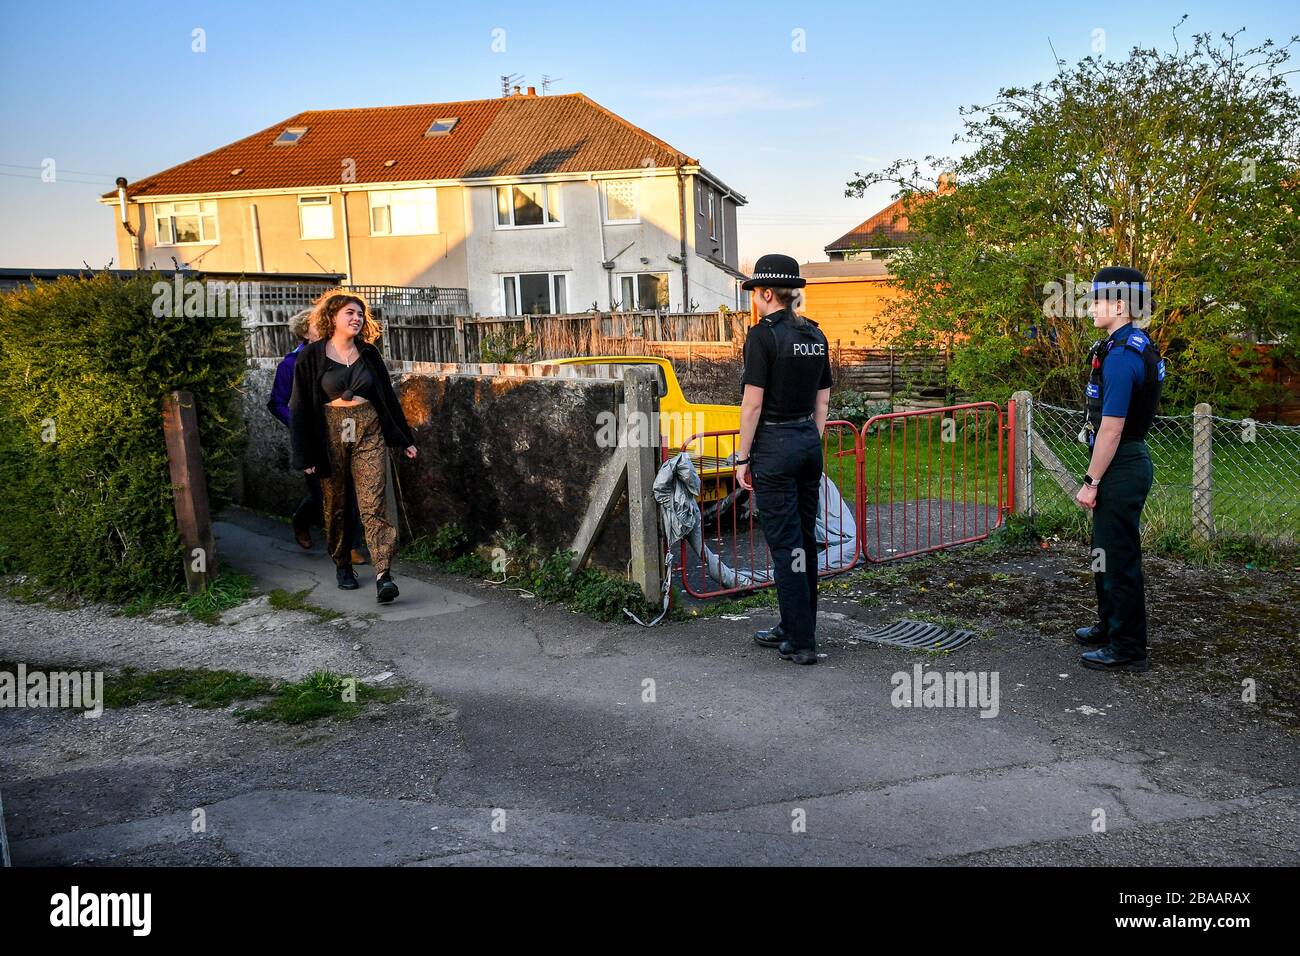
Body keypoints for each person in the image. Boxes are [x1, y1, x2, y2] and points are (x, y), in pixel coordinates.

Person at [734, 253, 833, 666]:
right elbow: (823, 399)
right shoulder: (815, 335)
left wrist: (742, 459)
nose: (755, 300)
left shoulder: (762, 337)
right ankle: (793, 626)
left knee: (784, 545)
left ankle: (802, 641)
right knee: (804, 541)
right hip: (808, 444)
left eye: (757, 294)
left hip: (774, 447)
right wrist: (810, 438)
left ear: (768, 293)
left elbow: (752, 405)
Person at [290, 290, 418, 603]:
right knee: (337, 502)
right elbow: (301, 406)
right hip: (331, 429)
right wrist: (305, 454)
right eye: (350, 313)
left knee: (373, 503)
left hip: (368, 428)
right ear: (332, 317)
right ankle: (342, 562)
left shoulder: (369, 354)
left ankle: (383, 574)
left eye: (360, 314)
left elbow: (387, 399)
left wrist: (403, 439)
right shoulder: (311, 356)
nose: (356, 319)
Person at [1073, 266, 1165, 672]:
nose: (1090, 306)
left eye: (1097, 300)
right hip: (1120, 460)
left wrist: (1091, 482)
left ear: (1121, 305)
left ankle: (1127, 646)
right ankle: (1109, 625)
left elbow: (1111, 430)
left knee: (1119, 557)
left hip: (1121, 463)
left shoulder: (1125, 355)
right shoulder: (1121, 344)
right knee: (1103, 553)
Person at [267, 310, 368, 565]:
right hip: (311, 438)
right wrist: (299, 424)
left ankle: (351, 547)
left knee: (349, 489)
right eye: (317, 326)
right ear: (304, 332)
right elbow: (276, 403)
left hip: (342, 431)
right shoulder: (290, 363)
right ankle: (302, 519)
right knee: (323, 494)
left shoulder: (337, 355)